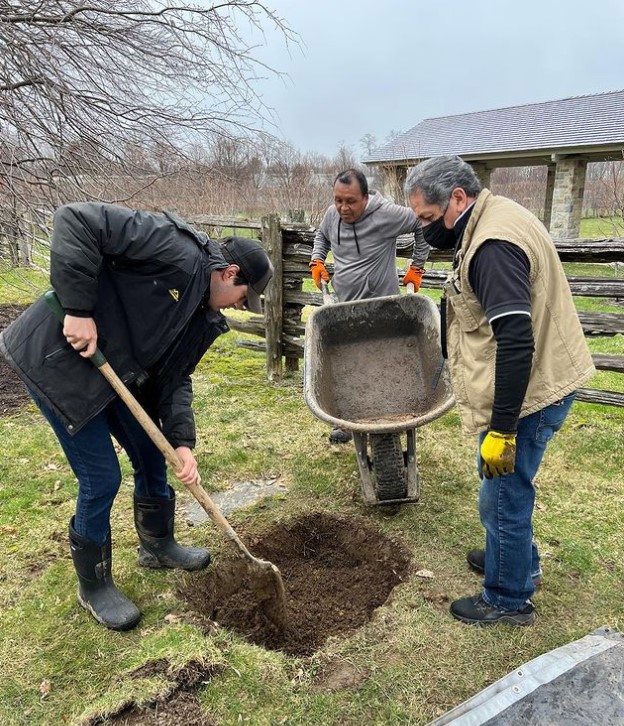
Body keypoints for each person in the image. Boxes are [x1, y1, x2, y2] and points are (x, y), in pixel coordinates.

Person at [0, 203, 273, 632]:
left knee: (151, 452)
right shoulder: (174, 249)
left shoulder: (205, 317)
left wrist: (182, 442)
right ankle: (93, 588)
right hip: (59, 361)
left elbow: (177, 378)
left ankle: (158, 544)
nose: (241, 307)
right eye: (244, 297)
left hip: (116, 370)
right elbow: (76, 219)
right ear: (229, 273)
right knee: (100, 477)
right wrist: (78, 309)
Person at [404, 155, 595, 626]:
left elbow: (515, 340)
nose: (426, 230)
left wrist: (504, 429)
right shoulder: (495, 214)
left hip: (531, 393)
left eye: (429, 218)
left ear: (458, 199)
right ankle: (513, 558)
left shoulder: (491, 245)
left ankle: (508, 598)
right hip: (540, 381)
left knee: (504, 492)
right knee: (502, 488)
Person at [310, 168, 430, 443]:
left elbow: (422, 224)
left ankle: (394, 417)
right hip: (345, 309)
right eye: (338, 200)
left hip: (383, 308)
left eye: (350, 201)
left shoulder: (386, 214)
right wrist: (317, 259)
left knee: (385, 364)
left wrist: (417, 266)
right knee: (349, 366)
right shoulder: (332, 215)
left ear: (366, 197)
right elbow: (322, 236)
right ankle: (347, 422)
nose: (343, 207)